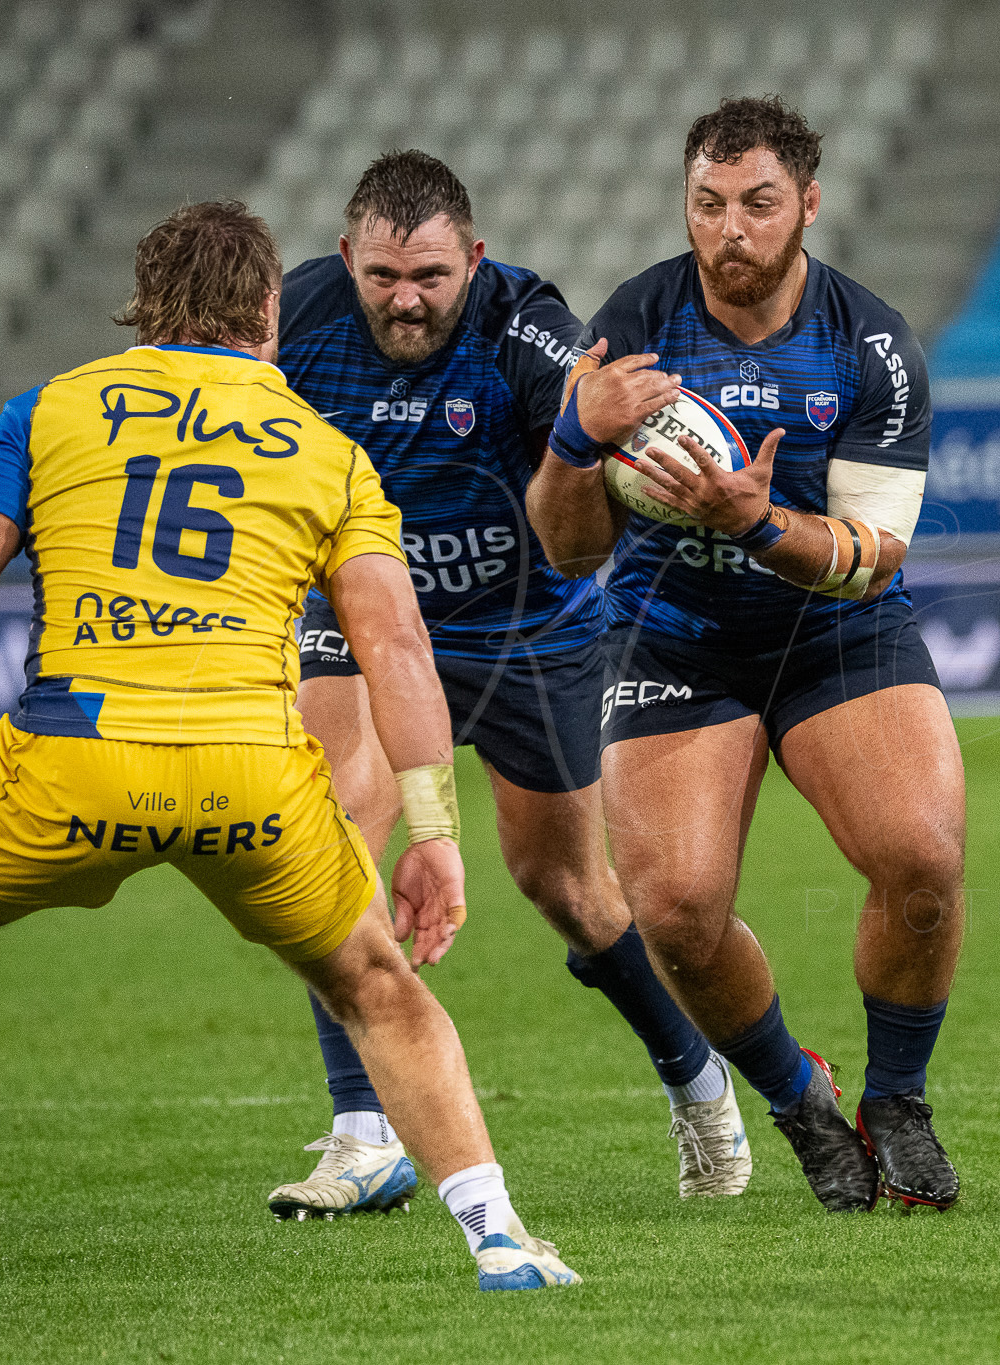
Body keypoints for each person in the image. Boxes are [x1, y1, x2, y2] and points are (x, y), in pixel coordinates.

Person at [0, 203, 578, 1298]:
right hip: (253, 778)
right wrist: (430, 833)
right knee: (379, 984)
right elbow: (395, 647)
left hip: (72, 760)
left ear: (143, 300)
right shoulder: (328, 453)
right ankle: (500, 1238)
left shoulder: (51, 410)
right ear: (269, 313)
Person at [262, 151, 750, 1218]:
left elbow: (580, 432)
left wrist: (608, 423)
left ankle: (696, 1081)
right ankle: (361, 1132)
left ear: (472, 260)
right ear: (346, 259)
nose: (405, 299)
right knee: (334, 825)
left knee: (570, 893)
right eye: (384, 275)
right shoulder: (290, 318)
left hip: (528, 632)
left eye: (430, 276)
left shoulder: (525, 323)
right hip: (360, 620)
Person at [527, 98, 964, 1212]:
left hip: (834, 630)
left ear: (807, 206)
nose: (730, 230)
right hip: (675, 634)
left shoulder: (872, 345)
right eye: (708, 205)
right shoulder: (634, 323)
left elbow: (872, 558)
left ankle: (898, 1104)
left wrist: (759, 527)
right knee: (671, 910)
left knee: (919, 859)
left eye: (758, 204)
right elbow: (569, 549)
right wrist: (577, 435)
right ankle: (796, 1097)